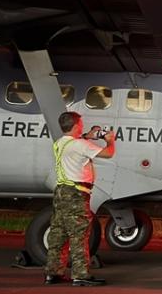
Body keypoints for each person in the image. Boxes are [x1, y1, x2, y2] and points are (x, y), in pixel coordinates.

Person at [44, 112, 115, 286]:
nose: (82, 126)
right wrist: (110, 140)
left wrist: (87, 136)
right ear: (76, 126)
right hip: (76, 194)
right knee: (79, 234)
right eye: (81, 124)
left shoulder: (60, 143)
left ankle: (53, 273)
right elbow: (108, 153)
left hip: (61, 192)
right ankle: (80, 275)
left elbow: (75, 144)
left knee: (58, 233)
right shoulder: (81, 145)